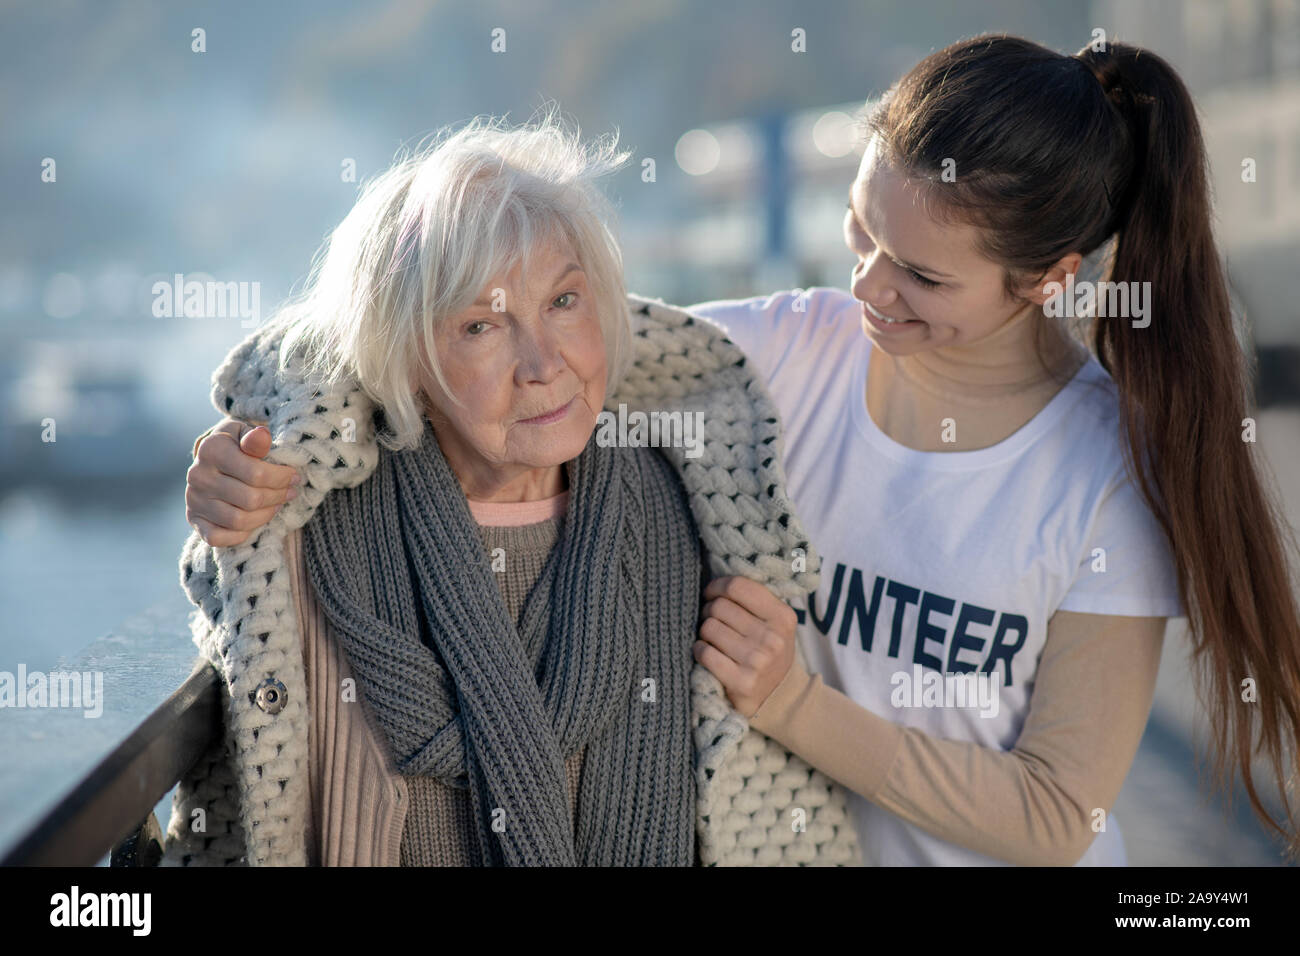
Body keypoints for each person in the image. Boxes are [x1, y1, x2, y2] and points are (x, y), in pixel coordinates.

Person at [187, 35, 1300, 866]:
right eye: (862, 234)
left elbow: (1059, 815)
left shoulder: (1105, 472)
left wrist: (796, 705)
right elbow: (470, 332)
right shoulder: (778, 355)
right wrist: (268, 447)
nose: (866, 288)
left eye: (920, 276)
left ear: (1051, 277)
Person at [167, 111, 860, 867]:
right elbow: (233, 606)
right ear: (404, 362)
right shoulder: (309, 521)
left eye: (564, 302)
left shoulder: (695, 514)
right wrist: (238, 478)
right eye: (480, 327)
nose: (543, 362)